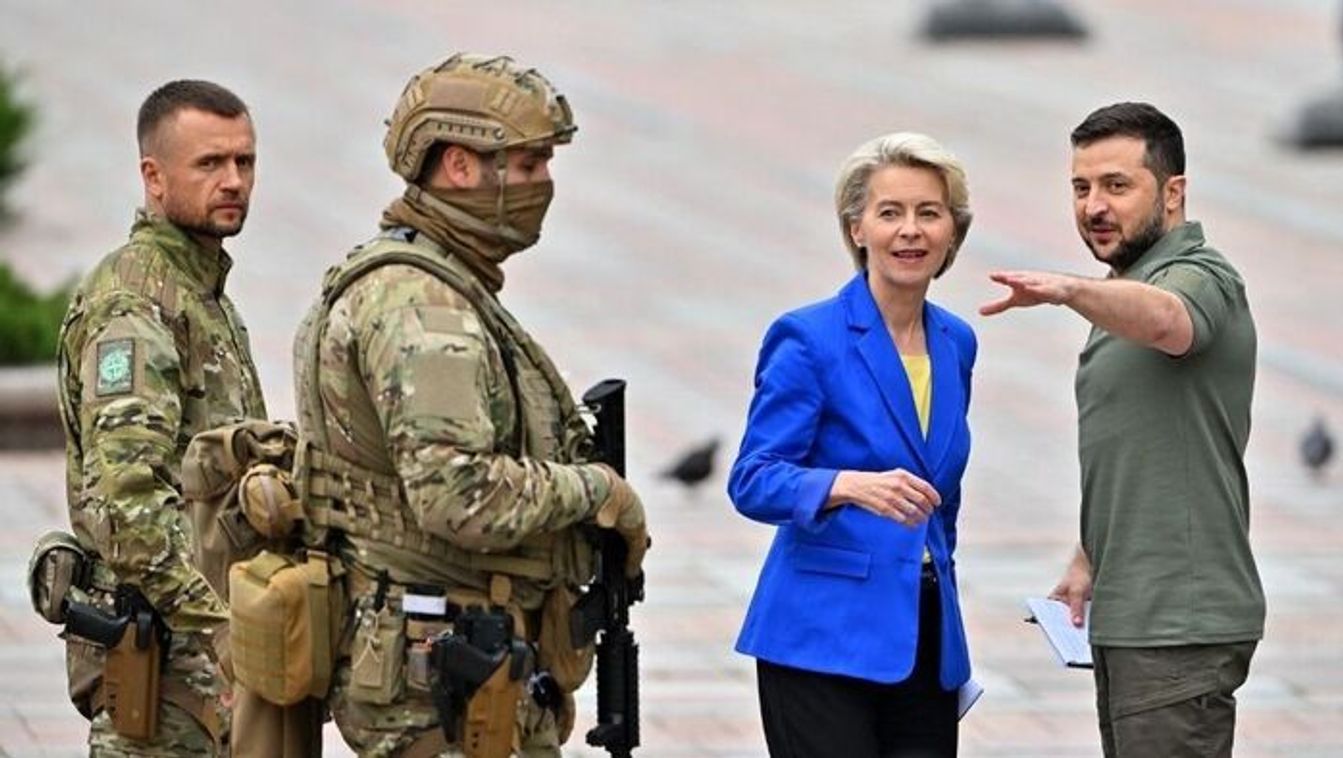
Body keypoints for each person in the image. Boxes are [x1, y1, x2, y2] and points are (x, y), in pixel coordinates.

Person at [289, 53, 649, 756]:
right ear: (458, 166)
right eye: (528, 164)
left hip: (445, 653)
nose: (543, 184)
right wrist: (596, 492)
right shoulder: (423, 307)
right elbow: (456, 494)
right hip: (443, 668)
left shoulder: (428, 280)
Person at [980, 102, 1263, 758]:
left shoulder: (1198, 275)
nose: (1092, 206)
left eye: (1115, 185)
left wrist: (1068, 290)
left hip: (1178, 622)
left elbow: (1170, 321)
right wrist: (1089, 557)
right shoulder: (1126, 288)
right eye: (1080, 188)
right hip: (1135, 614)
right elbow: (1145, 444)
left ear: (1172, 193)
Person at [728, 132, 977, 757]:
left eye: (929, 213)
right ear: (857, 228)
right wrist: (846, 485)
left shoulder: (957, 342)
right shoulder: (808, 338)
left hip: (924, 636)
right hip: (821, 634)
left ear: (953, 230)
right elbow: (753, 479)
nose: (910, 231)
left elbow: (941, 496)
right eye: (890, 213)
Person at [54, 80, 265, 755]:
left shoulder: (204, 297)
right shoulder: (136, 305)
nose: (232, 181)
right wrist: (226, 630)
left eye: (244, 161)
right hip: (166, 664)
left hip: (202, 664)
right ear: (154, 176)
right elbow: (129, 505)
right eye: (209, 164)